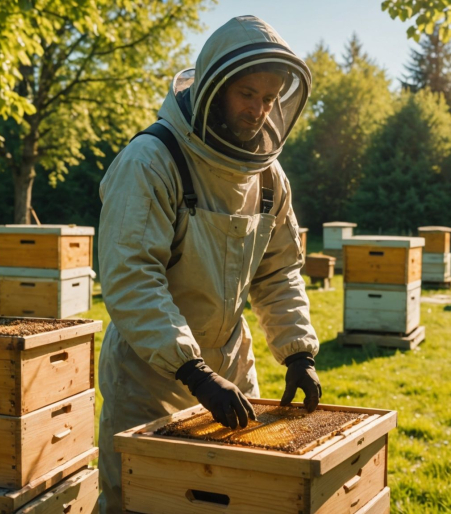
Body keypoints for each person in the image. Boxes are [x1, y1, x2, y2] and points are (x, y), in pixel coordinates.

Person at [97, 15, 321, 512]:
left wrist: (297, 351)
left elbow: (279, 270)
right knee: (142, 500)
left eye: (269, 99)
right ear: (214, 87)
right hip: (149, 375)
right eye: (247, 93)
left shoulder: (268, 176)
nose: (259, 110)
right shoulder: (151, 160)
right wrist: (192, 371)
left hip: (232, 365)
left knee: (240, 499)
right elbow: (132, 275)